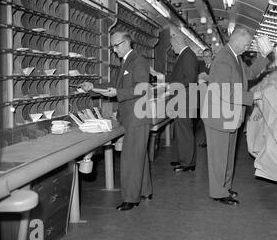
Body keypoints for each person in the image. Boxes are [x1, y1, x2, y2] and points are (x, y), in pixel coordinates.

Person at [80, 31, 152, 211]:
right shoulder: (125, 62)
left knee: (130, 159)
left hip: (137, 117)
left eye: (116, 45)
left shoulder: (138, 60)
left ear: (127, 43)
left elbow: (142, 87)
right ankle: (145, 190)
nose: (114, 50)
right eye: (112, 46)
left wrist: (118, 93)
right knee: (138, 156)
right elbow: (113, 86)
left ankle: (131, 199)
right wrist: (93, 88)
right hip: (130, 116)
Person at [202, 27, 271, 206]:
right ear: (239, 42)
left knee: (227, 155)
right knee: (219, 157)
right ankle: (218, 192)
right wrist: (252, 97)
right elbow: (224, 91)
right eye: (247, 45)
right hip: (218, 117)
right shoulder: (224, 59)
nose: (247, 48)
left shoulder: (234, 57)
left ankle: (224, 186)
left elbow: (248, 74)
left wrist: (264, 57)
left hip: (229, 116)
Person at [167, 34, 198, 172]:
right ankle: (184, 159)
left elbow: (190, 78)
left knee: (185, 131)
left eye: (172, 45)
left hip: (185, 99)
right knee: (182, 131)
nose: (172, 48)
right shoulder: (185, 55)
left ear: (178, 43)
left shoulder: (188, 55)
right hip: (183, 98)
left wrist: (172, 86)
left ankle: (188, 163)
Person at [196, 48, 213, 147]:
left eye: (208, 56)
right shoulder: (200, 66)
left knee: (210, 119)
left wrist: (206, 81)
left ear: (212, 56)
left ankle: (210, 141)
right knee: (203, 119)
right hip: (202, 95)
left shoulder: (216, 67)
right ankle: (204, 140)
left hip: (212, 97)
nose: (206, 58)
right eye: (205, 56)